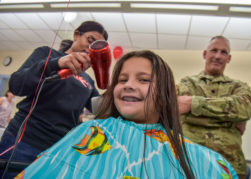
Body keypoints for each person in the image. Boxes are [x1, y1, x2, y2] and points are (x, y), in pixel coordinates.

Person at [16, 50, 237, 178]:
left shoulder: (209, 160)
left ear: (165, 94)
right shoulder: (90, 132)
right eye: (122, 80)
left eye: (143, 80)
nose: (128, 85)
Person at [0, 21, 108, 178]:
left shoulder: (88, 81)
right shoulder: (47, 54)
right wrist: (55, 64)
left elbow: (102, 110)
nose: (90, 48)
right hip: (23, 141)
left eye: (96, 48)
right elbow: (16, 85)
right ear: (77, 35)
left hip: (57, 149)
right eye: (90, 40)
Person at [177, 36, 251, 179]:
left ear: (229, 58)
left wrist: (192, 105)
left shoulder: (239, 86)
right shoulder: (186, 83)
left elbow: (244, 109)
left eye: (223, 52)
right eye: (214, 50)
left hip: (229, 166)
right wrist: (228, 116)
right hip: (189, 164)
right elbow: (176, 107)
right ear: (204, 54)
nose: (218, 56)